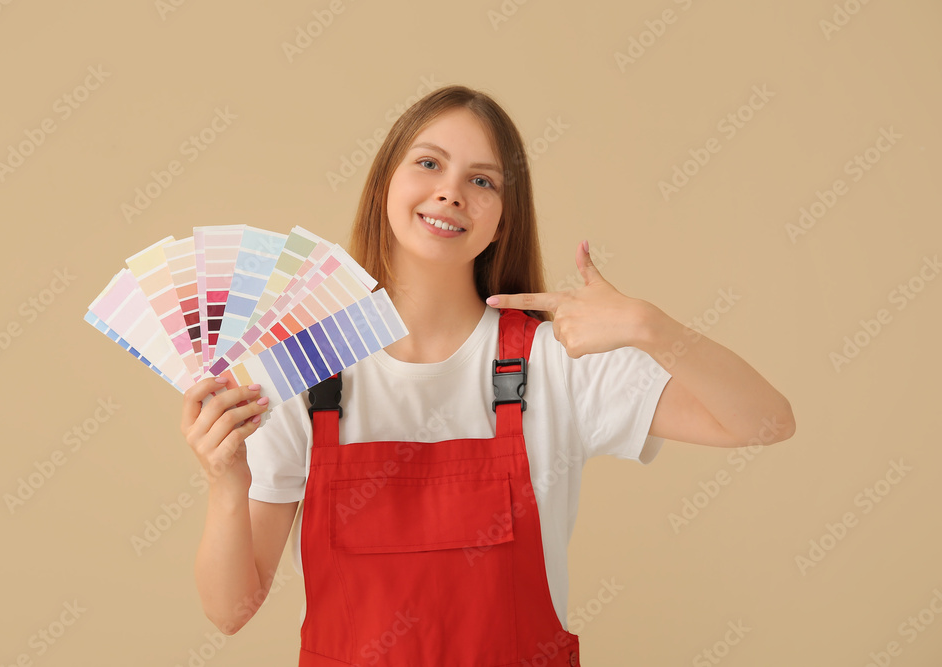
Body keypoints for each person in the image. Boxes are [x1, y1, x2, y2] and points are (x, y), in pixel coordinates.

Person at [180, 85, 796, 666]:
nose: (451, 193)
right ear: (383, 185)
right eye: (428, 164)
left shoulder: (557, 360)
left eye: (481, 181)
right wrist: (226, 481)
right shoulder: (303, 369)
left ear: (502, 218)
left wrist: (651, 327)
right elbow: (229, 612)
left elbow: (767, 422)